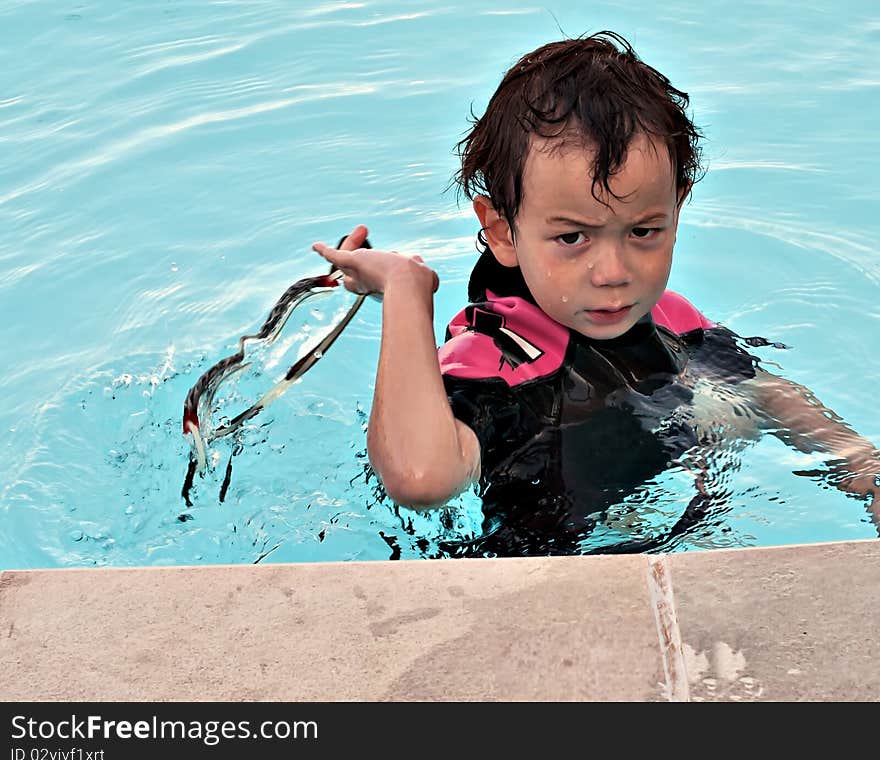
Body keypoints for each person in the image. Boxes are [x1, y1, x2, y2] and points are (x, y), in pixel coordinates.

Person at [313, 31, 879, 555]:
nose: (613, 272)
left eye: (642, 231)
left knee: (729, 412)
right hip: (533, 566)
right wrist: (407, 291)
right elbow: (421, 481)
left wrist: (860, 462)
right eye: (572, 236)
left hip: (655, 524)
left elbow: (768, 393)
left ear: (677, 209)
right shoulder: (493, 357)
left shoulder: (669, 319)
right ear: (503, 230)